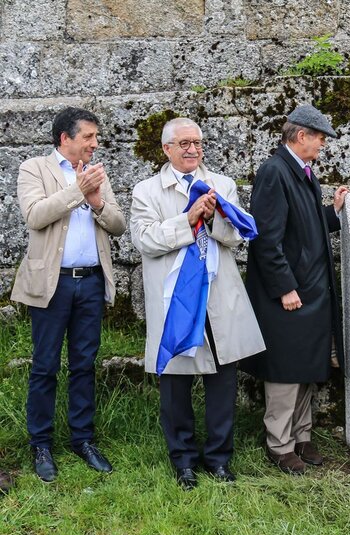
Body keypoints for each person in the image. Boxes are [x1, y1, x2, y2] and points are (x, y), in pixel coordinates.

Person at [130, 117, 265, 489]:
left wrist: (214, 216)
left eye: (198, 142)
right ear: (166, 149)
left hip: (217, 295)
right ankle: (184, 460)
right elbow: (144, 240)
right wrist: (187, 220)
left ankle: (219, 458)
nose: (193, 149)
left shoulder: (222, 184)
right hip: (176, 299)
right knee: (175, 385)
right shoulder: (147, 191)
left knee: (223, 381)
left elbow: (236, 235)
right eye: (184, 143)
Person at [11, 107, 126, 482]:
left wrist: (96, 201)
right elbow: (35, 215)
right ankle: (41, 444)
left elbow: (118, 225)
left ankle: (83, 439)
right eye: (88, 136)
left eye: (96, 137)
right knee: (45, 365)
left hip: (90, 282)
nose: (95, 143)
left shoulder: (96, 173)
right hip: (52, 283)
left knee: (84, 364)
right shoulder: (34, 168)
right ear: (65, 138)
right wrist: (78, 190)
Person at [241, 105, 349, 475]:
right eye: (320, 138)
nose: (323, 145)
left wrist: (333, 212)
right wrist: (284, 287)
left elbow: (305, 225)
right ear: (301, 135)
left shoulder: (303, 172)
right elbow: (266, 238)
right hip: (289, 293)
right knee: (285, 370)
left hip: (312, 290)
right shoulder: (274, 172)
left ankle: (301, 436)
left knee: (306, 366)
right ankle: (279, 444)